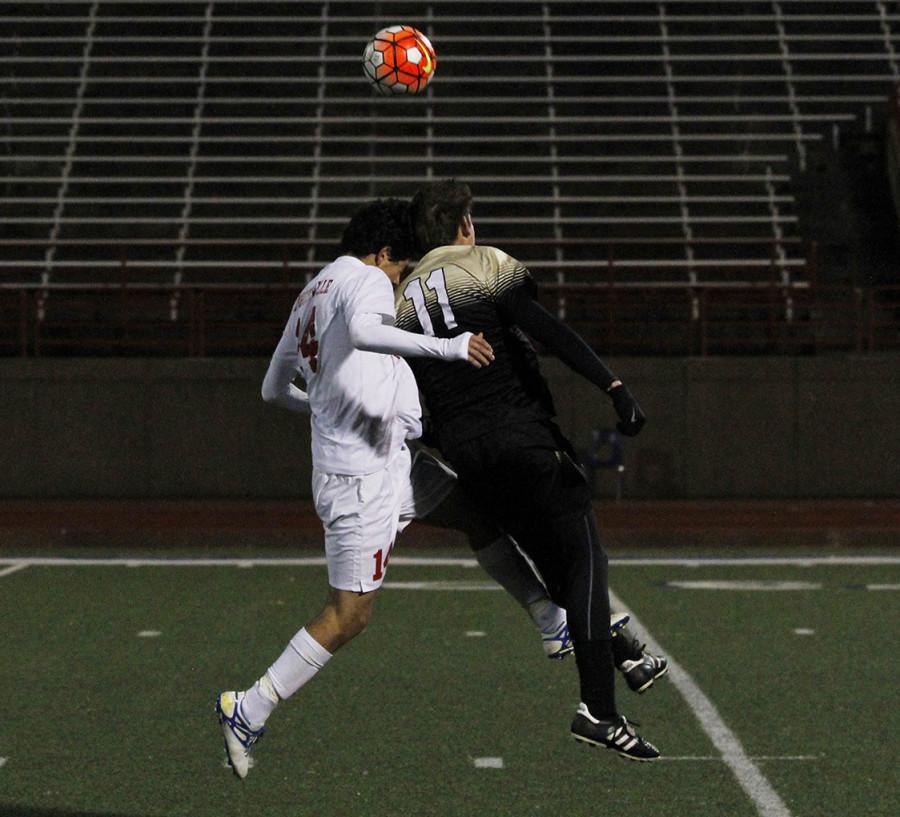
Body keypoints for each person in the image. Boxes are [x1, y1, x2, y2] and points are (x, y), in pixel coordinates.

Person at [215, 198, 495, 779]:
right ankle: (248, 707)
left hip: (384, 460)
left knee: (477, 510)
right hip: (361, 477)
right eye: (400, 268)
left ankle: (555, 621)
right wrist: (450, 346)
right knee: (349, 615)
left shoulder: (311, 291)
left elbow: (272, 388)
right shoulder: (366, 277)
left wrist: (320, 404)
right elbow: (369, 333)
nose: (398, 282)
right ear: (384, 254)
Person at [396, 179, 665, 761]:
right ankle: (599, 709)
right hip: (518, 436)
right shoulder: (483, 263)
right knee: (587, 556)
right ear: (463, 227)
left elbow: (413, 396)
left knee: (553, 556)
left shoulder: (399, 301)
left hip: (465, 453)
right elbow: (548, 331)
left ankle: (624, 651)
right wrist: (613, 386)